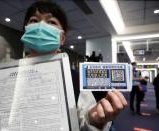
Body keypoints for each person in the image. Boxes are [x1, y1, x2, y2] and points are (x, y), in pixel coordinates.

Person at [20, 1, 127, 130]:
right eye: (34, 20)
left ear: (62, 38)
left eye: (51, 22)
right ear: (25, 30)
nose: (41, 26)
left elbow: (84, 122)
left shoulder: (75, 80)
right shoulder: (3, 76)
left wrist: (94, 120)